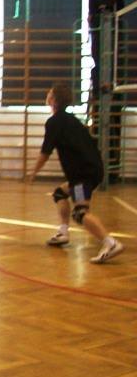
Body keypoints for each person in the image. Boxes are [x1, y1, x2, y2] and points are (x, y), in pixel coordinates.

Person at [26, 83, 124, 264]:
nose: (47, 94)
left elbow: (45, 152)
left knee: (80, 213)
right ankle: (63, 233)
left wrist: (33, 173)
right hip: (90, 170)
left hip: (82, 175)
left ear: (54, 100)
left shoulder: (54, 122)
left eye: (49, 93)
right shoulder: (72, 120)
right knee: (60, 193)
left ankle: (110, 243)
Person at [88, 0, 124, 95]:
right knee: (97, 58)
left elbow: (120, 9)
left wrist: (107, 8)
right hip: (99, 31)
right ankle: (97, 87)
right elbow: (92, 12)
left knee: (112, 59)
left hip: (112, 31)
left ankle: (111, 87)